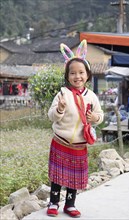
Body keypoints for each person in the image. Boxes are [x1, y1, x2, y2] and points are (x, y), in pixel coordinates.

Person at [47, 40, 104, 218]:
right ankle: (53, 202)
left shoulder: (92, 97)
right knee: (57, 176)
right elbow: (51, 115)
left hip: (79, 145)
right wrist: (60, 109)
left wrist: (96, 118)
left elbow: (100, 115)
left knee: (74, 177)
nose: (77, 76)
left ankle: (70, 205)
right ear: (68, 76)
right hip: (61, 141)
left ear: (87, 75)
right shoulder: (62, 94)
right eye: (72, 73)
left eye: (81, 72)